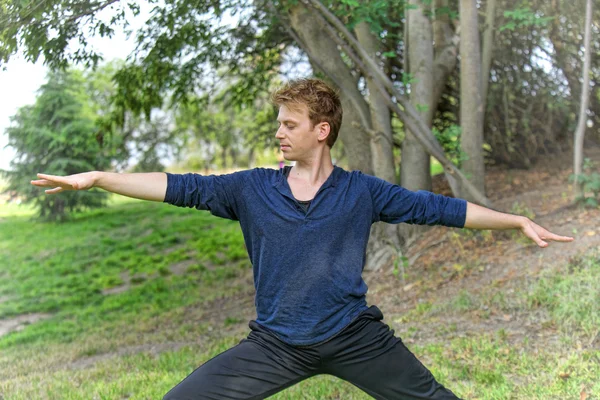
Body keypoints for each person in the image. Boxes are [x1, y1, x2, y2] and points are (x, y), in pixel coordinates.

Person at [31, 78, 573, 400]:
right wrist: (100, 178)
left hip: (354, 336)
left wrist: (516, 221)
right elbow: (180, 186)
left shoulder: (361, 192)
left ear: (321, 130)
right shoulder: (250, 189)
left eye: (290, 124)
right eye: (279, 123)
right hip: (276, 344)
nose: (279, 132)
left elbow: (440, 209)